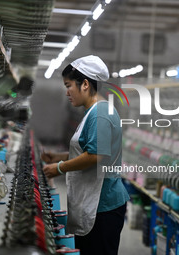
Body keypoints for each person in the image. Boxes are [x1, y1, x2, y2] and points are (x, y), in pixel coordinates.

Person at [42, 55, 129, 255]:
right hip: (98, 201)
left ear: (85, 84)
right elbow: (86, 148)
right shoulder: (94, 111)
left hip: (103, 205)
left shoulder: (100, 113)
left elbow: (95, 156)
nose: (67, 93)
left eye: (69, 85)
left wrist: (59, 168)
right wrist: (58, 156)